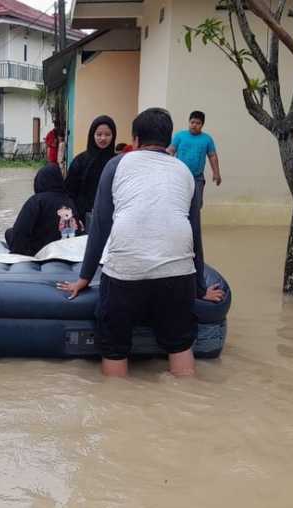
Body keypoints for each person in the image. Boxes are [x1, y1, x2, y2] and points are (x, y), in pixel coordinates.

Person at [58, 108, 202, 378]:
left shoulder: (116, 165)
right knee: (181, 345)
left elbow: (100, 225)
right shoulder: (184, 171)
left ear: (135, 140)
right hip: (179, 277)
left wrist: (84, 278)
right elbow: (194, 232)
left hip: (125, 275)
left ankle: (117, 409)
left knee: (114, 348)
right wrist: (201, 287)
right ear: (169, 139)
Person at [167, 110, 222, 301]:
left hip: (197, 178)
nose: (194, 125)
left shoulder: (207, 139)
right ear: (188, 122)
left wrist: (216, 173)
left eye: (198, 123)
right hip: (179, 177)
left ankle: (193, 228)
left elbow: (212, 156)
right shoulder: (180, 136)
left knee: (195, 207)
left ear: (202, 125)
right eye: (192, 122)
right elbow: (170, 151)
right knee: (178, 206)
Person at [5, 164, 82, 256]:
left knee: (9, 232)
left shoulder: (36, 201)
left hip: (38, 250)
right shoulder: (70, 201)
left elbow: (20, 231)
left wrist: (17, 251)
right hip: (66, 249)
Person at [65, 116, 117, 225]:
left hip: (112, 217)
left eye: (107, 134)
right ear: (92, 135)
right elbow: (69, 192)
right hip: (83, 217)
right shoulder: (80, 161)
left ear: (113, 136)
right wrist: (74, 215)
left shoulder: (117, 161)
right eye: (99, 134)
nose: (103, 138)